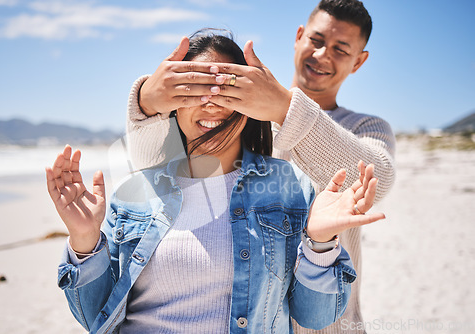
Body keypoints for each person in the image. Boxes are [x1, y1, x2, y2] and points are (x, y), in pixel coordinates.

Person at [46, 32, 385, 334]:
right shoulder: (134, 194)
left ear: (250, 104)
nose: (210, 101)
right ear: (173, 105)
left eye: (226, 90)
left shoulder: (289, 187)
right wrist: (84, 241)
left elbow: (316, 317)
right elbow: (96, 319)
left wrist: (321, 244)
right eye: (192, 90)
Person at [124, 1, 395, 333]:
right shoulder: (246, 112)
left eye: (341, 48)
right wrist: (146, 103)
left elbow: (374, 182)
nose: (323, 54)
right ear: (299, 37)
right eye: (317, 40)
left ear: (359, 61)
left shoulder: (365, 126)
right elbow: (155, 169)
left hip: (331, 323)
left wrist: (285, 108)